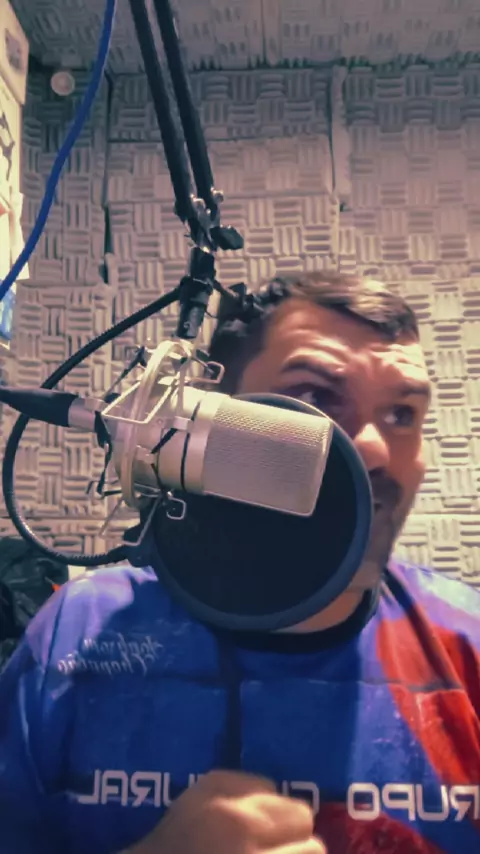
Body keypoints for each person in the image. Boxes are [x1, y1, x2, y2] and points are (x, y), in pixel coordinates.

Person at [0, 271, 479, 854]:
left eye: (402, 414)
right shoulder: (78, 635)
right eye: (313, 399)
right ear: (207, 426)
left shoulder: (469, 643)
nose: (375, 449)